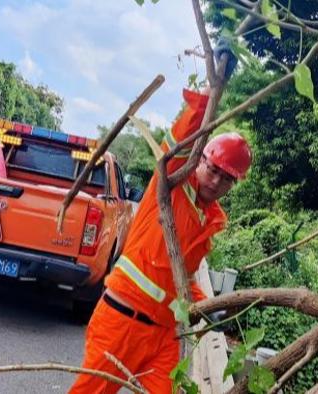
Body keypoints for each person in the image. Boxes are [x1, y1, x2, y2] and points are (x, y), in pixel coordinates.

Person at [69, 44, 250, 394]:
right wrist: (214, 89)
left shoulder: (207, 222)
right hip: (121, 321)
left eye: (226, 177)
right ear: (200, 160)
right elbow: (181, 138)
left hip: (163, 335)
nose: (215, 180)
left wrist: (209, 306)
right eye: (211, 169)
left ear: (233, 183)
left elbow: (179, 274)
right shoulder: (169, 187)